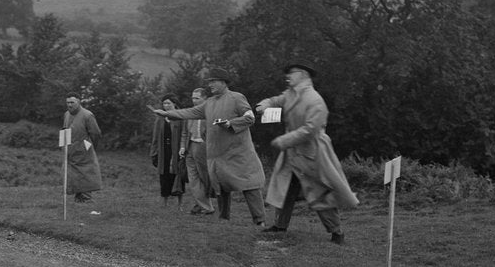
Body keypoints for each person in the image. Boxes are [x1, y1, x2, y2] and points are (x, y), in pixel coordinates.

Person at [255, 61, 358, 244]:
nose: (288, 77)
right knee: (285, 189)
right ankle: (280, 225)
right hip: (293, 153)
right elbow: (279, 99)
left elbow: (310, 129)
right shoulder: (291, 94)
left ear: (303, 75)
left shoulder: (315, 100)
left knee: (319, 193)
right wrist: (267, 103)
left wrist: (285, 140)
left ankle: (337, 232)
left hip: (312, 153)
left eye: (292, 73)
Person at [152, 69, 266, 225]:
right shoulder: (210, 103)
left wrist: (230, 123)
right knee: (221, 185)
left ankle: (259, 221)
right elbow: (190, 112)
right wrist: (167, 114)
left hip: (239, 153)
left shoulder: (236, 97)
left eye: (213, 81)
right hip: (217, 154)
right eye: (209, 81)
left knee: (249, 184)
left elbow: (249, 117)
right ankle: (224, 219)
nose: (210, 85)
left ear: (224, 82)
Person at [180, 87, 215, 215]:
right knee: (193, 178)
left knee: (204, 177)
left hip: (204, 147)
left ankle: (203, 205)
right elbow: (184, 132)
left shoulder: (211, 112)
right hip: (191, 146)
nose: (194, 101)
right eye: (193, 98)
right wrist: (183, 147)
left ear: (205, 98)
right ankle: (203, 205)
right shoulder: (191, 112)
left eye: (197, 98)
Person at [62, 94, 102, 203]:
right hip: (71, 149)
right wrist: (65, 146)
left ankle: (87, 198)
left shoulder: (87, 115)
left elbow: (96, 133)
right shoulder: (66, 114)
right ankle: (78, 197)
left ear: (79, 102)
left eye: (72, 102)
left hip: (84, 149)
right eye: (68, 102)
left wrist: (89, 146)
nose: (69, 105)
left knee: (86, 173)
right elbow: (65, 130)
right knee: (73, 174)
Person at [150, 94, 186, 208]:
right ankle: (164, 203)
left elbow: (184, 134)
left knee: (177, 175)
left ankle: (179, 203)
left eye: (168, 103)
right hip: (163, 150)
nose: (166, 106)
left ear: (174, 104)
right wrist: (154, 152)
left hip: (176, 150)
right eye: (164, 103)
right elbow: (155, 137)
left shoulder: (180, 117)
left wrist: (183, 149)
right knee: (164, 175)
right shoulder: (160, 118)